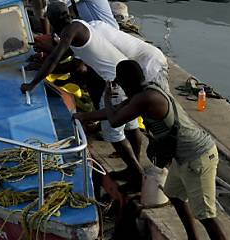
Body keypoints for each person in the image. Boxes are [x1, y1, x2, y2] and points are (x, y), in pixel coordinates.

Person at [82, 60, 226, 240]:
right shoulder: (143, 92)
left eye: (119, 81)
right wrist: (80, 116)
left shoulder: (146, 98)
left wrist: (107, 98)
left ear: (127, 81)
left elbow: (114, 120)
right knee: (174, 195)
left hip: (197, 156)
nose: (118, 85)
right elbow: (116, 111)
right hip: (182, 158)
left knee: (206, 216)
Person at [22, 12, 144, 182]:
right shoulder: (80, 25)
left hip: (113, 83)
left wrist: (31, 84)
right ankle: (136, 166)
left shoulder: (69, 31)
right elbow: (63, 59)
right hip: (125, 79)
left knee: (112, 132)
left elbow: (55, 59)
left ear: (53, 21)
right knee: (131, 125)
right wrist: (41, 64)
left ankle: (136, 173)